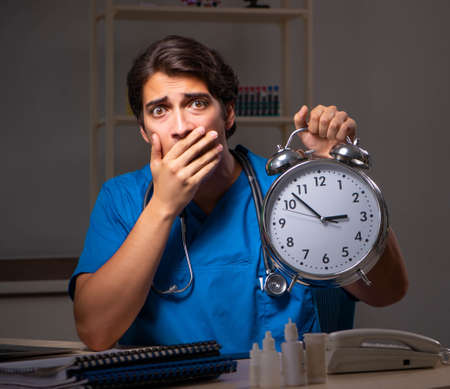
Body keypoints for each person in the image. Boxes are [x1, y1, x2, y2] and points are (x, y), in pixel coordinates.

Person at [69, 35, 408, 353]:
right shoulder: (122, 198)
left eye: (196, 103)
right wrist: (162, 208)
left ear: (228, 113)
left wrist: (338, 178)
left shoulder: (290, 187)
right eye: (159, 110)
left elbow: (388, 290)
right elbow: (96, 332)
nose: (181, 126)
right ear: (144, 131)